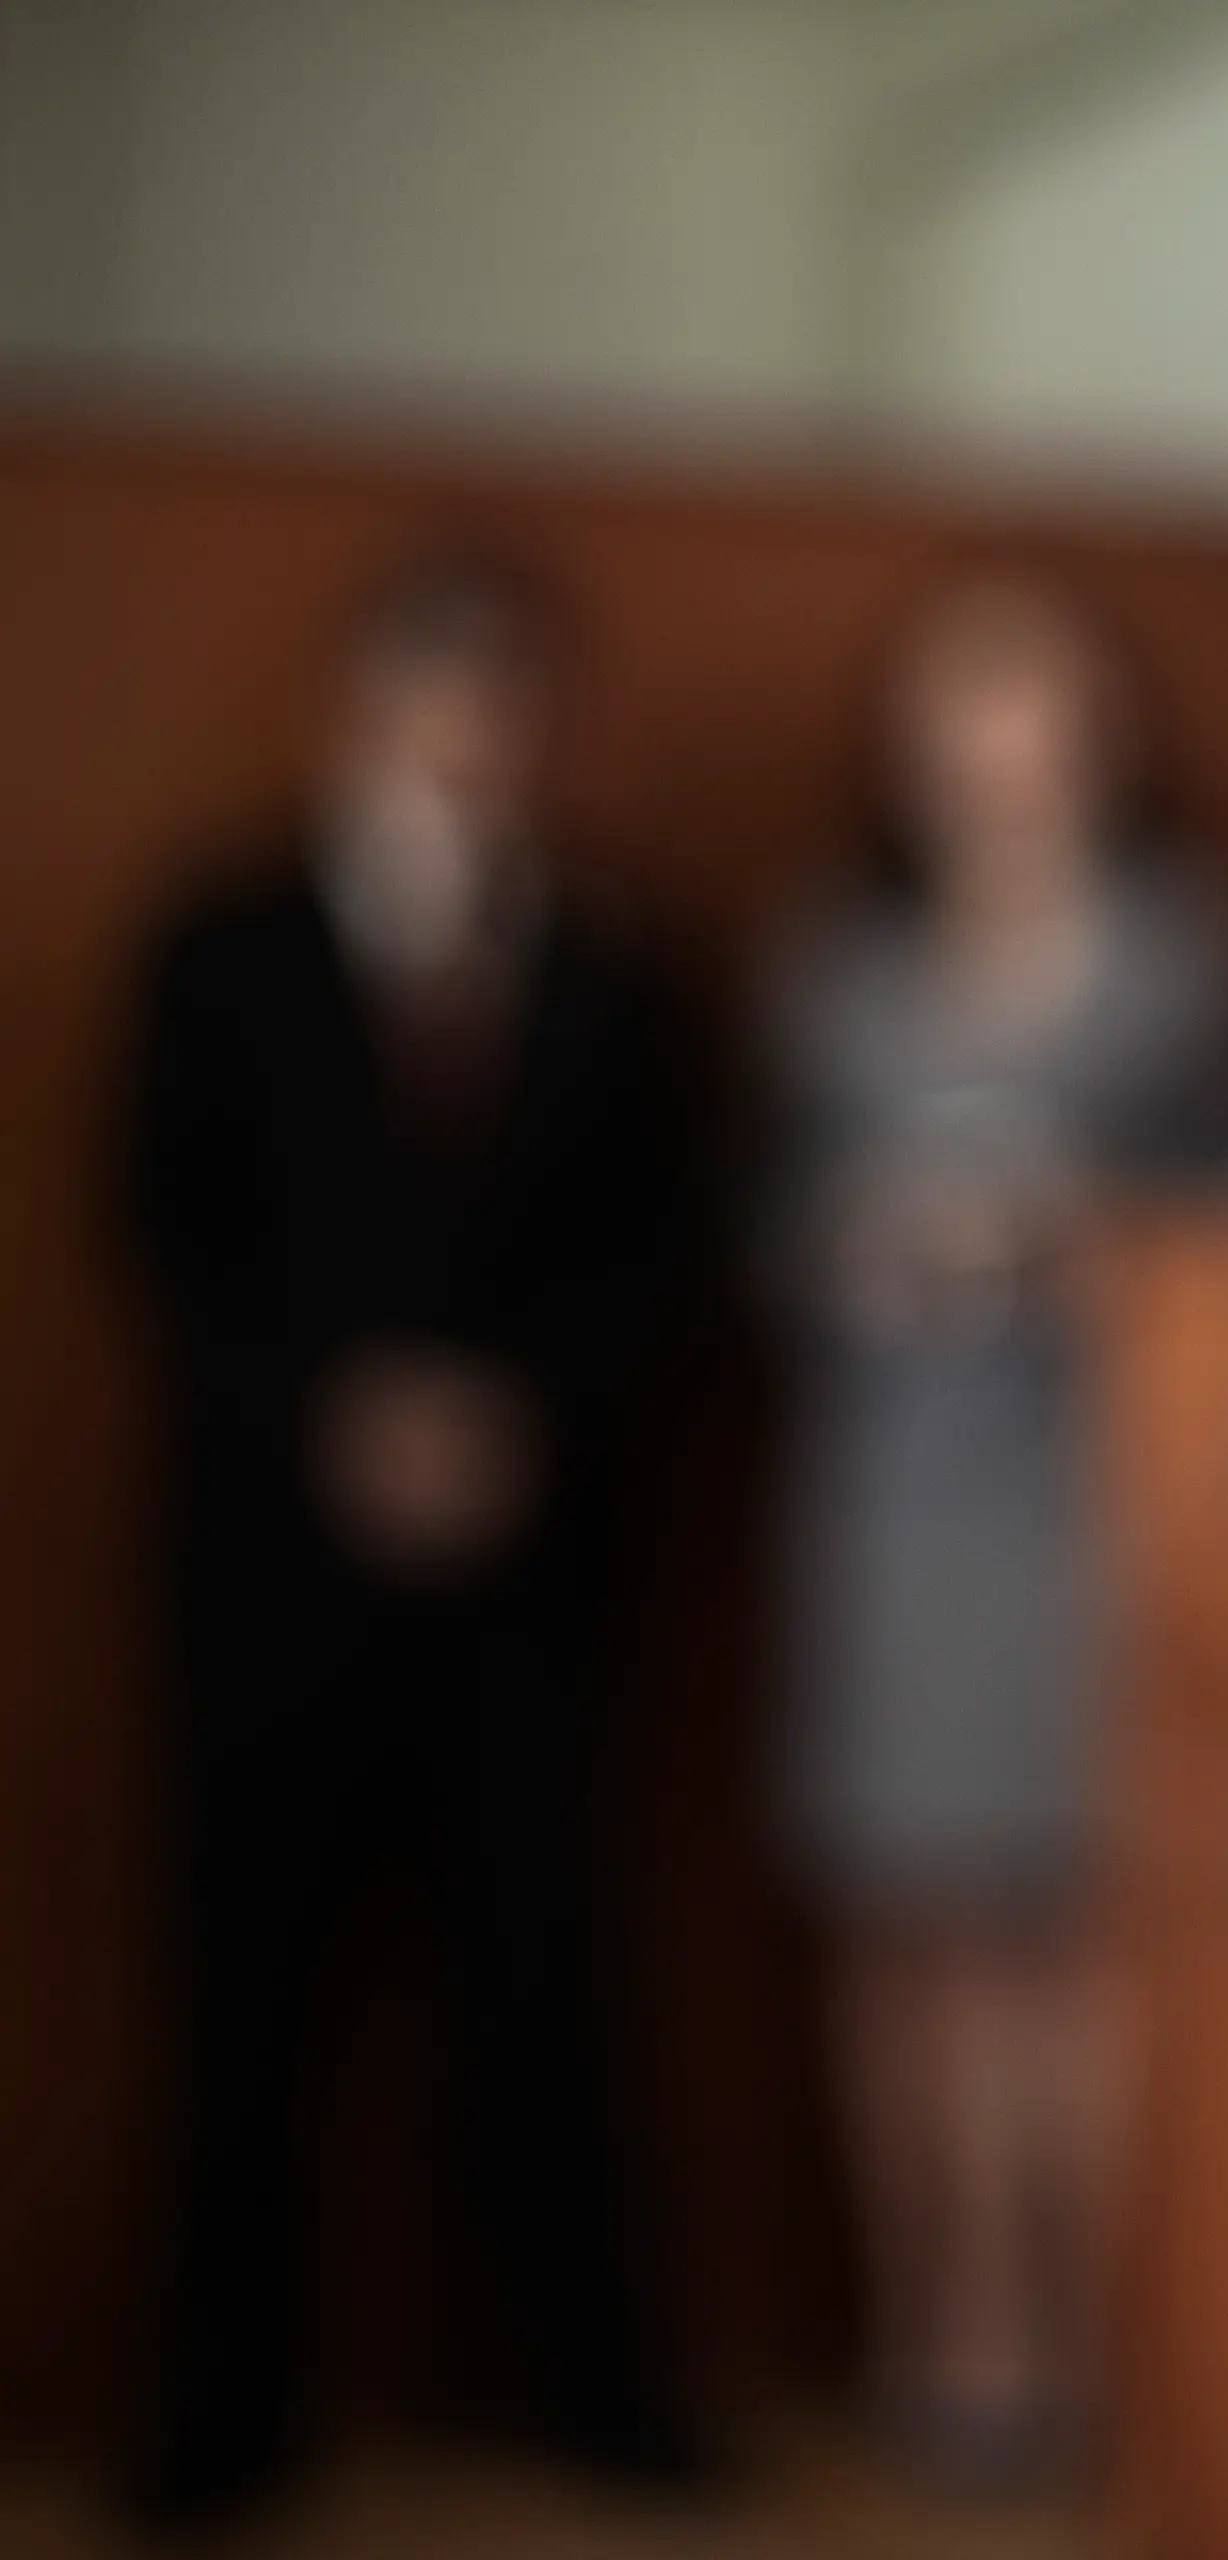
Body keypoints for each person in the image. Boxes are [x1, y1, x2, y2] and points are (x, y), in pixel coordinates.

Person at [120, 549, 699, 2521]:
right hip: (274, 1563)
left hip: (534, 1569)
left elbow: (660, 1244)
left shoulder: (617, 959)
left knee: (548, 1984)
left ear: (538, 732)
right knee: (249, 1999)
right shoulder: (226, 940)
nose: (464, 748)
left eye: (499, 710)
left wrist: (512, 1411)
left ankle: (596, 2394)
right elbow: (163, 1219)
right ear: (355, 718)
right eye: (426, 706)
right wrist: (342, 1406)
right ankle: (219, 2418)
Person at [769, 572, 1228, 2485]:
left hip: (1098, 1495)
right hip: (886, 1492)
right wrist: (852, 1245)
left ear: (1102, 735)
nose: (1001, 752)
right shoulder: (835, 967)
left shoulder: (1184, 956)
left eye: (1035, 708)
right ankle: (933, 2328)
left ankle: (1086, 2338)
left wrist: (1065, 1241)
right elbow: (762, 1216)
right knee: (909, 1934)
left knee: (1074, 1937)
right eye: (964, 711)